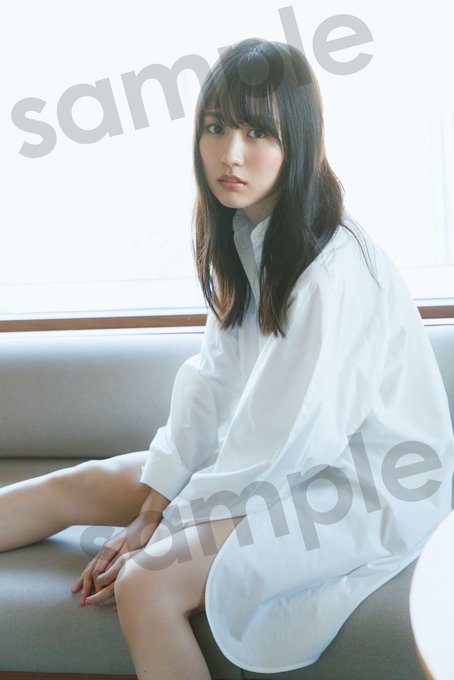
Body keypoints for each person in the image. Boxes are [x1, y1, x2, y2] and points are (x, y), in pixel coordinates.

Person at [1, 37, 453, 680]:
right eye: (215, 127)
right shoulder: (249, 235)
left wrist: (159, 534)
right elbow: (211, 384)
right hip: (282, 460)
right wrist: (152, 506)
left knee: (146, 583)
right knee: (83, 482)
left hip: (359, 485)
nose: (230, 153)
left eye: (257, 132)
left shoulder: (332, 270)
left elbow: (286, 444)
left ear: (299, 141)